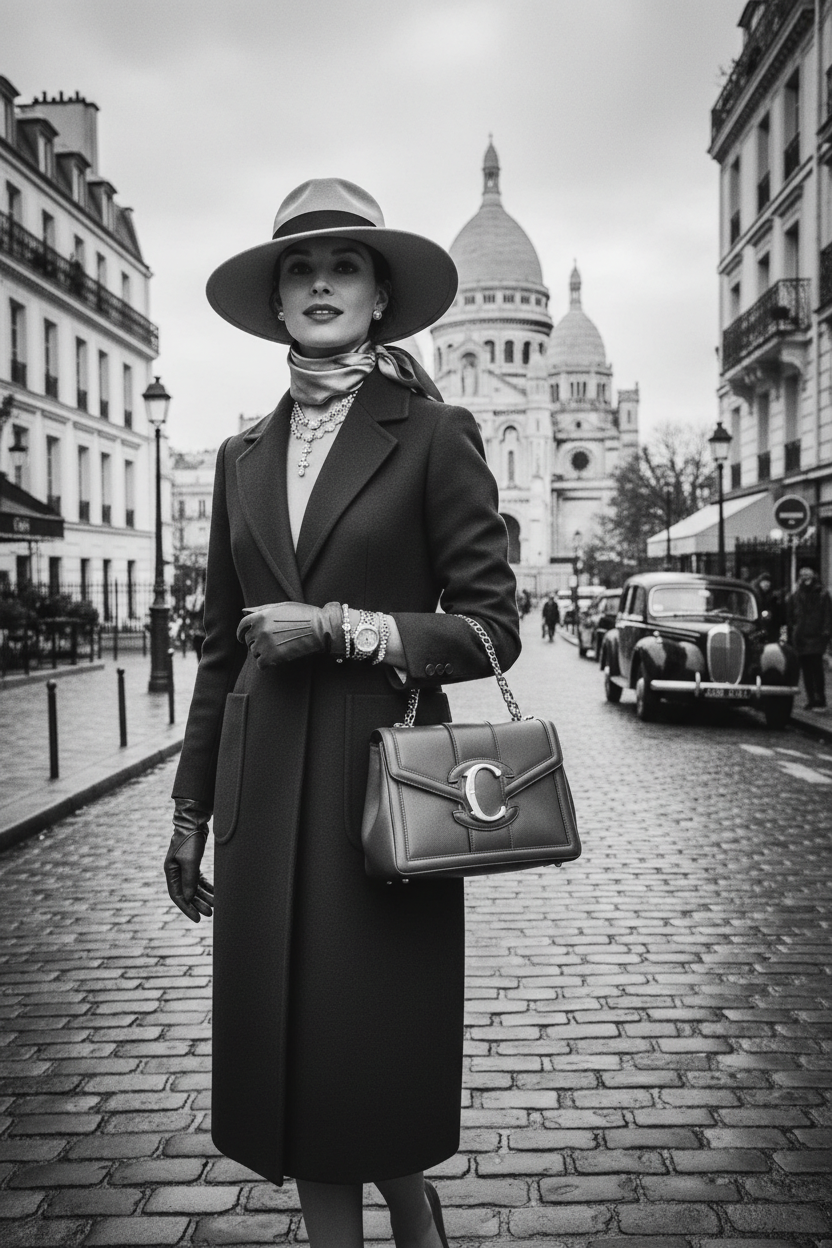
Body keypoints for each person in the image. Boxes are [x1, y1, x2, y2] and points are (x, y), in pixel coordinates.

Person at [162, 179, 520, 1248]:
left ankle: (412, 1216)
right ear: (277, 302)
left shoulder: (436, 433)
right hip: (264, 795)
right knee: (298, 1074)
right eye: (301, 270)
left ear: (379, 296)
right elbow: (219, 651)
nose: (321, 285)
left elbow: (492, 630)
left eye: (345, 266)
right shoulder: (238, 456)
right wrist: (190, 809)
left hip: (384, 801)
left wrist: (343, 629)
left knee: (369, 1059)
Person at [787, 566, 832, 711]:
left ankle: (820, 699)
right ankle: (811, 699)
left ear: (813, 577)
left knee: (817, 669)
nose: (806, 578)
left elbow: (827, 615)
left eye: (808, 575)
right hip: (801, 637)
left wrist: (825, 633)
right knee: (806, 670)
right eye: (803, 576)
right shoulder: (796, 595)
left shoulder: (822, 594)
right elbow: (790, 615)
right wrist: (794, 629)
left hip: (816, 637)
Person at [751, 571, 783, 643]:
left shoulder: (772, 596)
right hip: (758, 622)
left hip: (770, 624)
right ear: (760, 583)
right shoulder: (755, 594)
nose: (766, 584)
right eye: (764, 582)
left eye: (768, 582)